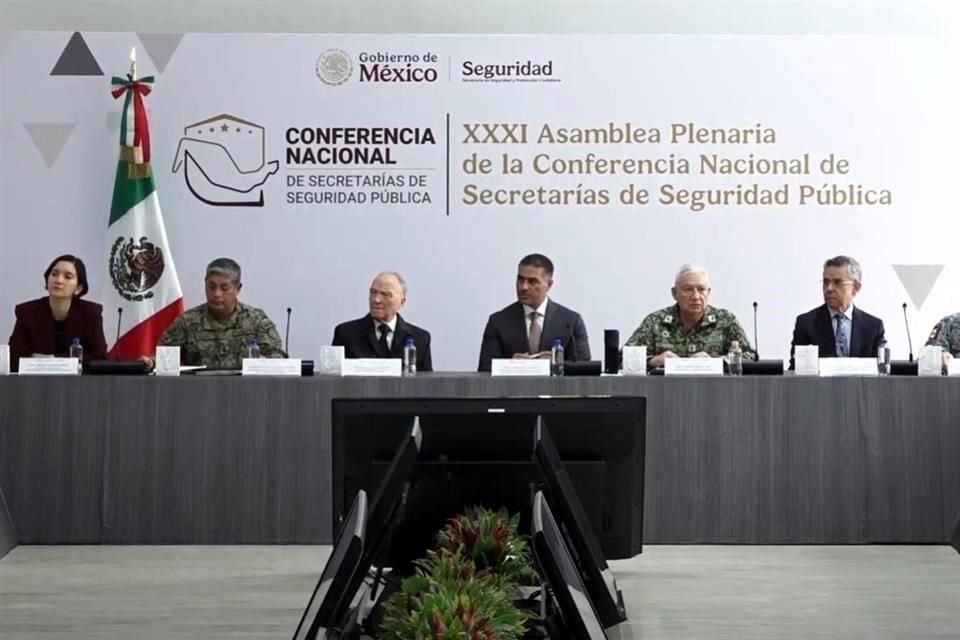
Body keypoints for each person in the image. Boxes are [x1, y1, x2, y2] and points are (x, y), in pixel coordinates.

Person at [156, 257, 283, 368]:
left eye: (224, 288)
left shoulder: (256, 320)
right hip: (199, 391)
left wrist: (261, 363)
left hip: (246, 391)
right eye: (211, 287)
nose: (216, 294)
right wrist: (151, 363)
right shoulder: (187, 321)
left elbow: (278, 359)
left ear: (237, 289)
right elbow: (163, 360)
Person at [624, 264, 755, 367]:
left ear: (708, 292)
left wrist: (716, 362)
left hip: (715, 391)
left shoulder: (725, 321)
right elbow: (622, 358)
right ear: (674, 293)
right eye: (688, 289)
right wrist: (653, 360)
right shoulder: (655, 322)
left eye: (701, 289)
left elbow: (751, 357)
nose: (696, 296)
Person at [478, 253, 590, 372]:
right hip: (515, 389)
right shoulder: (498, 322)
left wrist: (556, 364)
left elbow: (584, 369)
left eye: (532, 281)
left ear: (549, 285)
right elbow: (484, 370)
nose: (523, 287)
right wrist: (509, 366)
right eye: (520, 280)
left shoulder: (571, 321)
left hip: (556, 390)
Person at [8, 254, 107, 371]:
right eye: (54, 274)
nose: (59, 280)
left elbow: (99, 359)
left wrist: (54, 359)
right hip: (35, 382)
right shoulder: (27, 312)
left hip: (79, 384)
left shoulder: (91, 314)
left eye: (67, 277)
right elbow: (13, 358)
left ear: (78, 288)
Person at [790, 255, 885, 367]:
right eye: (826, 282)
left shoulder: (873, 326)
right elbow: (796, 370)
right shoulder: (806, 324)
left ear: (856, 287)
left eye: (837, 282)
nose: (829, 288)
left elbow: (882, 370)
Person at [331, 271, 433, 371]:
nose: (376, 300)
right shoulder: (346, 334)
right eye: (373, 292)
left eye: (385, 294)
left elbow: (427, 384)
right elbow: (334, 380)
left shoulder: (420, 338)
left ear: (402, 302)